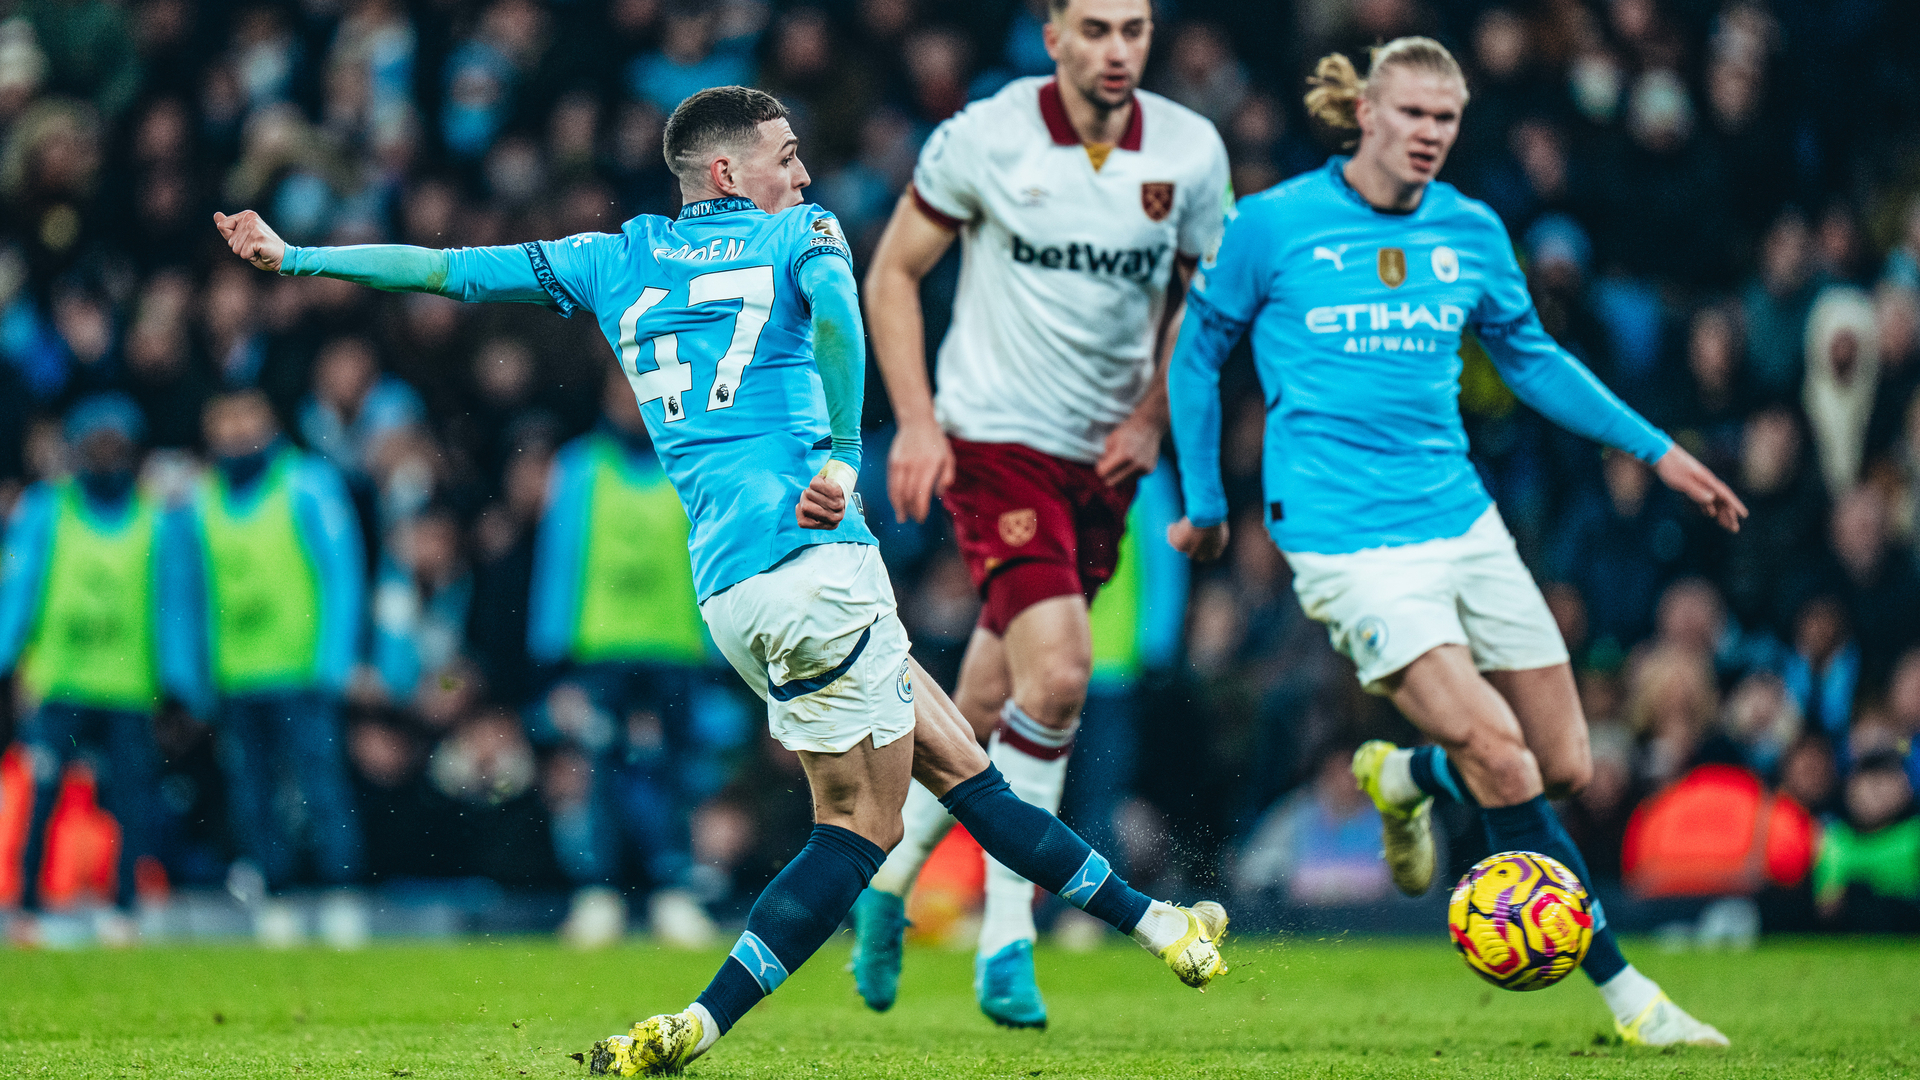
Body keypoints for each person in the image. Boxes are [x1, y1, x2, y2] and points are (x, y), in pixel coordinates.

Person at [214, 85, 1226, 1076]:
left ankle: (1160, 925)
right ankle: (698, 1025)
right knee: (864, 828)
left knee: (961, 768)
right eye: (788, 156)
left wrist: (297, 255)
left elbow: (450, 271)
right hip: (817, 559)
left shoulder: (614, 258)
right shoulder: (801, 235)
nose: (806, 171)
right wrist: (838, 454)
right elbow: (838, 308)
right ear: (729, 169)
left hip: (732, 596)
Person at [1163, 38, 1742, 1047]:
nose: (1431, 135)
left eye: (1448, 120)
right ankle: (1628, 995)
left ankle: (1405, 777)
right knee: (1506, 760)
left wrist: (1657, 451)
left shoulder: (1470, 231)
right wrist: (1208, 499)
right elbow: (1197, 353)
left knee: (1565, 764)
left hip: (1463, 521)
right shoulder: (1275, 224)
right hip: (1344, 541)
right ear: (1368, 115)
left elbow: (1533, 360)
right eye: (1414, 115)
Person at [857, 0, 1229, 1026]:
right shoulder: (986, 137)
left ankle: (889, 884)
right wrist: (920, 426)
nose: (1118, 50)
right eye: (1097, 28)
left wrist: (1154, 414)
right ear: (1053, 33)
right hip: (994, 443)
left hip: (1103, 461)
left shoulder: (1191, 153)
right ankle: (1008, 938)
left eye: (1136, 30)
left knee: (984, 702)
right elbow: (892, 274)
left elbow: (1206, 300)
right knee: (1061, 674)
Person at [159, 389, 370, 948]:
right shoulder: (198, 503)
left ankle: (339, 895)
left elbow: (341, 573)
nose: (236, 431)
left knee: (321, 785)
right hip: (237, 675)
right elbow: (184, 594)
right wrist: (191, 677)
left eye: (246, 418)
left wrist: (335, 659)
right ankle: (274, 898)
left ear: (270, 422)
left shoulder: (307, 484)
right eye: (224, 421)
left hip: (303, 672)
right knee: (251, 794)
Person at [526, 368, 718, 949]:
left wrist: (714, 642)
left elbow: (710, 549)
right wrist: (553, 653)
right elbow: (559, 557)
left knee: (674, 771)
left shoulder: (691, 461)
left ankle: (673, 890)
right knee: (600, 769)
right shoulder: (579, 467)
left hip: (674, 645)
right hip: (601, 647)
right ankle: (600, 892)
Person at [0, 395, 176, 946]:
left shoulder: (156, 518)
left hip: (127, 686)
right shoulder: (46, 509)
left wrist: (177, 681)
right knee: (44, 794)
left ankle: (123, 908)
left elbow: (171, 606)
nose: (107, 458)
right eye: (96, 446)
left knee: (129, 801)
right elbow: (18, 591)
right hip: (60, 679)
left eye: (116, 447)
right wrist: (8, 658)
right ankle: (29, 907)